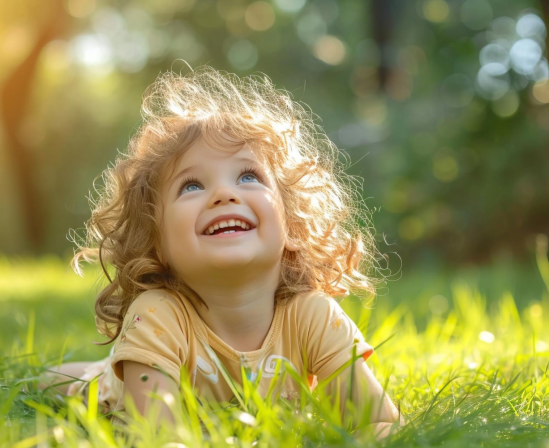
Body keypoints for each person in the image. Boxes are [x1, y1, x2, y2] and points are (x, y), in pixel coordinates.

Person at [42, 66, 402, 440]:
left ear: (291, 225)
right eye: (192, 185)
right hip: (112, 392)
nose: (224, 194)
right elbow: (157, 437)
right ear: (156, 242)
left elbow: (378, 423)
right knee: (70, 381)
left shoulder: (313, 316)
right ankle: (67, 375)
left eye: (249, 177)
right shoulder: (158, 315)